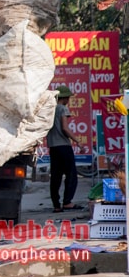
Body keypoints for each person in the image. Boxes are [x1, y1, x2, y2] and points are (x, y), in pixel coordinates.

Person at [46, 85, 83, 213]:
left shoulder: (50, 110)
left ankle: (56, 205)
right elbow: (65, 128)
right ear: (65, 98)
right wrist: (77, 141)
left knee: (55, 176)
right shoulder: (62, 109)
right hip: (63, 146)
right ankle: (67, 202)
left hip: (53, 147)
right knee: (71, 174)